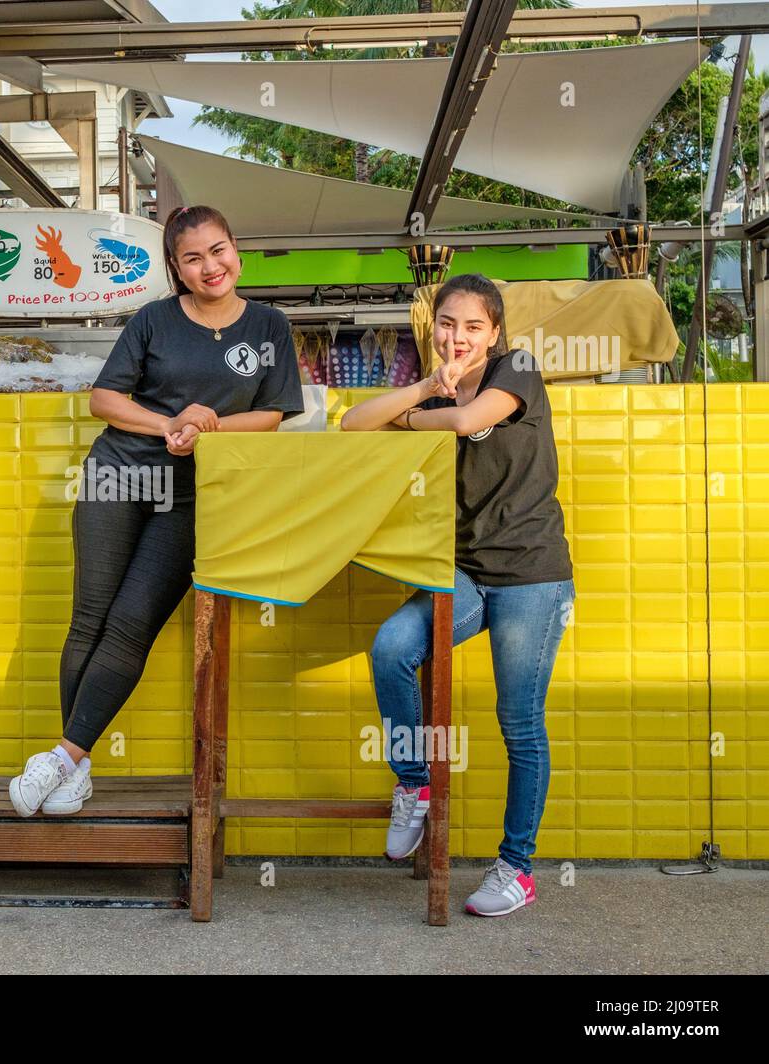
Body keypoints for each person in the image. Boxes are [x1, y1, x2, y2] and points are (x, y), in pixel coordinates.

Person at [9, 205, 306, 816]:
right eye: (193, 258)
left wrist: (209, 423)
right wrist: (171, 421)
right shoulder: (153, 320)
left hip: (197, 492)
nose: (210, 266)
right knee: (89, 618)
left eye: (217, 250)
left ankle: (63, 757)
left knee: (131, 624)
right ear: (176, 268)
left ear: (236, 251)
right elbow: (104, 399)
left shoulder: (270, 327)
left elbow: (272, 418)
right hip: (119, 473)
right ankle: (77, 764)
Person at [340, 273, 575, 917]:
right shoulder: (432, 384)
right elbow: (352, 425)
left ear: (495, 333)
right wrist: (419, 386)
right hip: (468, 571)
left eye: (473, 326)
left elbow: (471, 419)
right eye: (447, 324)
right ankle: (414, 784)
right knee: (392, 647)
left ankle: (516, 869)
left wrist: (413, 416)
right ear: (432, 326)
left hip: (532, 574)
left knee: (518, 721)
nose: (458, 337)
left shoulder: (517, 370)